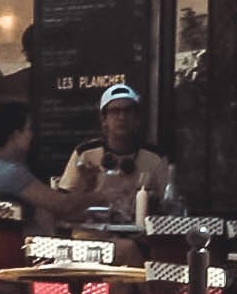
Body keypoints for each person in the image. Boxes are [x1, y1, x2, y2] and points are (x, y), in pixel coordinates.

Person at [57, 84, 172, 225]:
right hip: (93, 230)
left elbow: (166, 204)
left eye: (128, 111)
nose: (122, 117)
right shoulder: (85, 153)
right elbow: (63, 204)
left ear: (137, 118)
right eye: (115, 111)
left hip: (138, 232)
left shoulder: (155, 157)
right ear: (104, 119)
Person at [0, 103, 85, 230]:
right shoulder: (9, 172)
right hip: (18, 245)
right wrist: (100, 195)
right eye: (29, 129)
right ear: (15, 134)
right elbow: (63, 205)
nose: (31, 135)